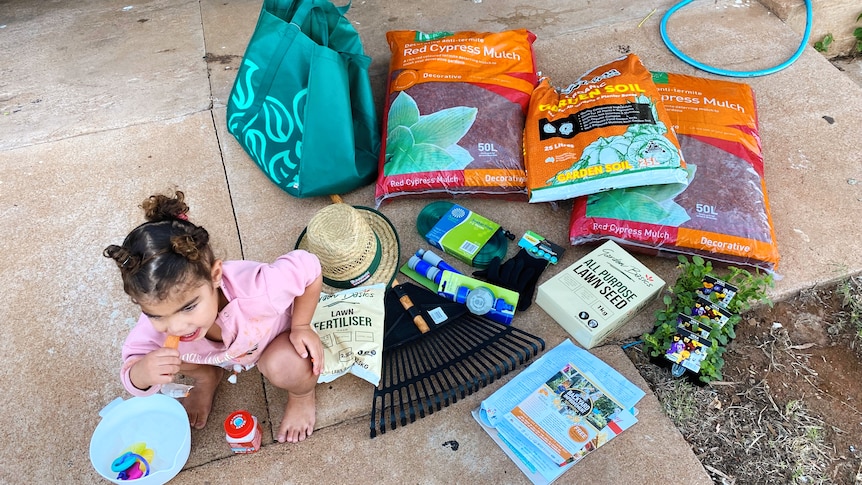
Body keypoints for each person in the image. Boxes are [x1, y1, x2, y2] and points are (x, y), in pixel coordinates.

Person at [103, 190, 323, 443]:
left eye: (188, 307)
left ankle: (302, 396)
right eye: (154, 314)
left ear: (215, 275)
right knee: (162, 354)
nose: (175, 327)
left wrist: (302, 325)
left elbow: (308, 267)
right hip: (218, 357)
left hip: (271, 339)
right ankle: (205, 375)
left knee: (288, 366)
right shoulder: (160, 328)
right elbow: (131, 366)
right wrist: (143, 372)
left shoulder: (259, 290)